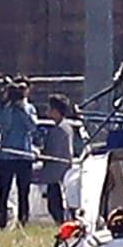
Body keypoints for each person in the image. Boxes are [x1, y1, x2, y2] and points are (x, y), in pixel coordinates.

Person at [0, 81, 39, 228]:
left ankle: (23, 221)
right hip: (6, 156)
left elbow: (32, 127)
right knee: (4, 191)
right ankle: (1, 222)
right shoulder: (5, 108)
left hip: (24, 155)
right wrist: (8, 105)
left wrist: (22, 109)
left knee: (23, 192)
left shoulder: (30, 108)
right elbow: (5, 126)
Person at [43, 94, 75, 224]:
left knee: (54, 204)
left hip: (57, 173)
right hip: (60, 172)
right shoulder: (66, 127)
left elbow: (53, 151)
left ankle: (61, 223)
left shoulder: (59, 130)